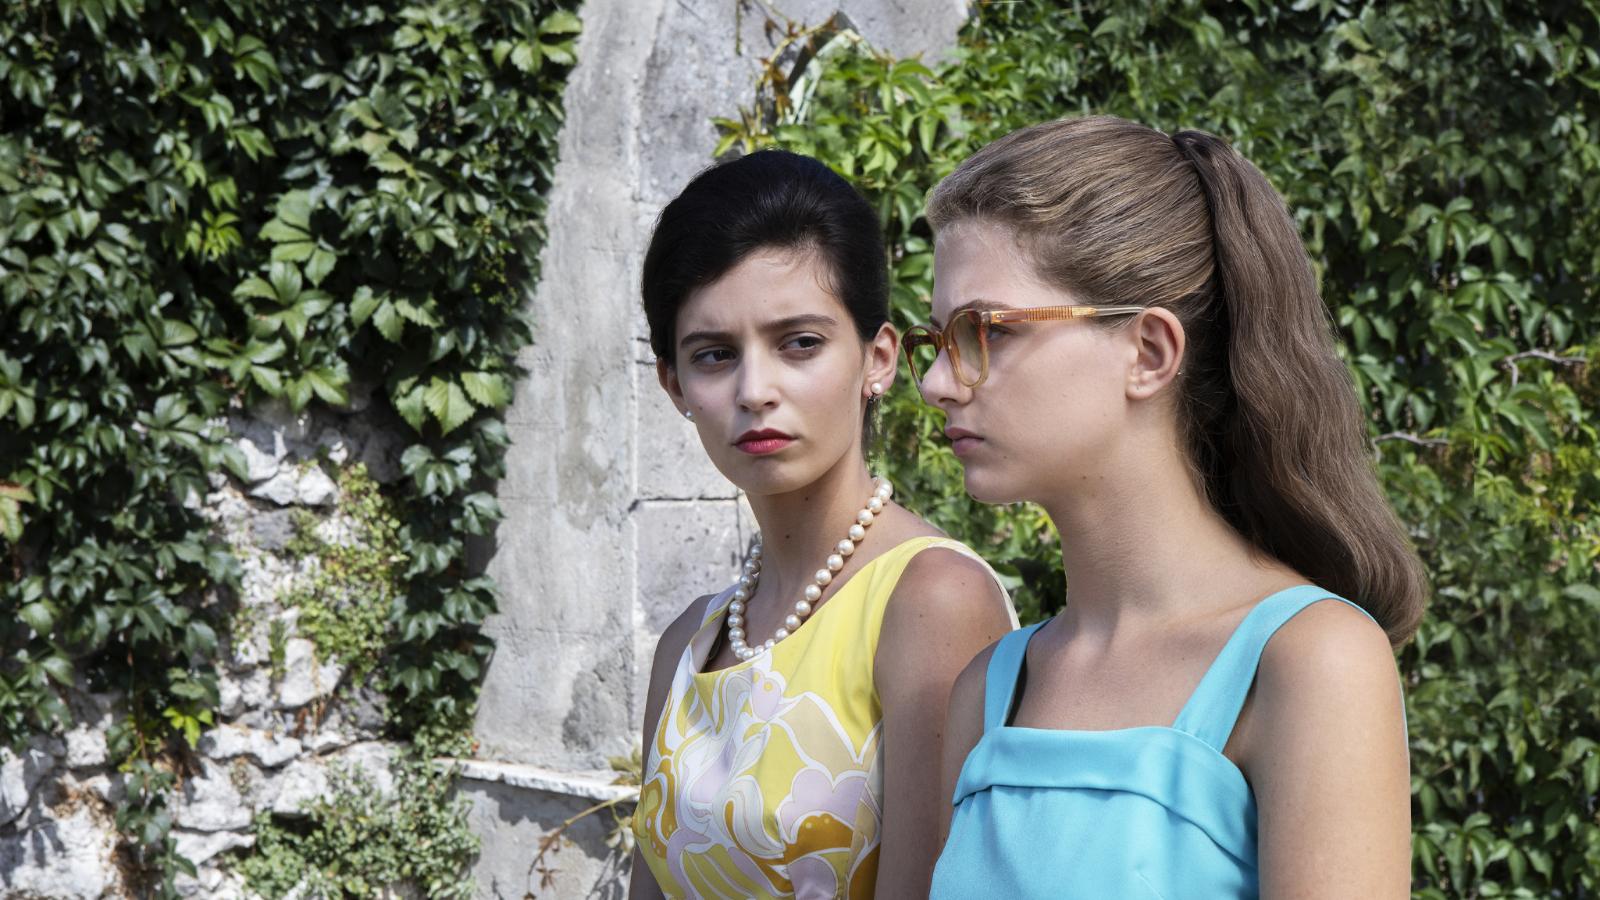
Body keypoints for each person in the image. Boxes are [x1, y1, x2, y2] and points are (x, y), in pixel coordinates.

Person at [905, 116, 1426, 898]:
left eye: (987, 332)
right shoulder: (990, 690)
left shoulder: (1310, 661)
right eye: (941, 340)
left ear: (1149, 353)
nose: (936, 384)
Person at [628, 149, 1016, 900]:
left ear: (878, 359)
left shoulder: (931, 601)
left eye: (799, 343)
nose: (755, 390)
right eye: (714, 355)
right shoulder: (687, 643)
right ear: (674, 385)